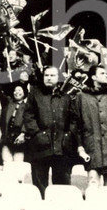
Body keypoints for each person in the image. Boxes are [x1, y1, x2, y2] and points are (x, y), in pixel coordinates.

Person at [70, 65, 107, 188]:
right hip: (92, 147)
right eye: (102, 73)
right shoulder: (82, 96)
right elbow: (76, 123)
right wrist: (81, 145)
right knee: (93, 182)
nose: (106, 75)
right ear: (94, 77)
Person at [22, 66, 75, 197]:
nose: (49, 78)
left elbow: (73, 120)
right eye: (46, 75)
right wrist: (38, 135)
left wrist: (67, 136)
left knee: (62, 187)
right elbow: (28, 116)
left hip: (61, 149)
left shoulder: (66, 98)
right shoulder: (35, 95)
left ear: (58, 78)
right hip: (40, 148)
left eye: (52, 75)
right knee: (40, 186)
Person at [1, 84, 29, 163]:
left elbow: (28, 121)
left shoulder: (27, 106)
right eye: (15, 90)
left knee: (18, 162)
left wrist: (23, 133)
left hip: (19, 139)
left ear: (24, 93)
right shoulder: (9, 104)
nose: (17, 92)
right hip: (7, 137)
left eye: (19, 90)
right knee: (6, 161)